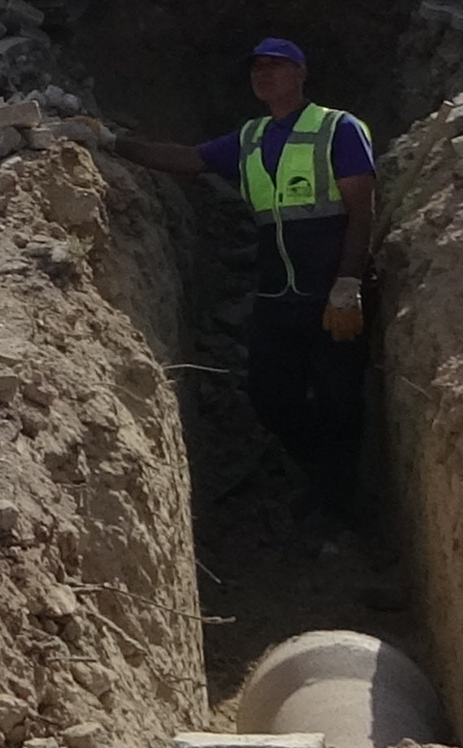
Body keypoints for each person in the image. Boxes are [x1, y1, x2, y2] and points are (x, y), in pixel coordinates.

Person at [101, 38, 379, 504]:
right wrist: (113, 144)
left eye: (275, 66)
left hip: (329, 293)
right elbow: (189, 159)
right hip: (276, 297)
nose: (263, 74)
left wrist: (347, 286)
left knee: (340, 403)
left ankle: (342, 503)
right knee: (270, 397)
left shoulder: (338, 129)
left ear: (300, 74)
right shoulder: (252, 137)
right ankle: (320, 476)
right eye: (256, 68)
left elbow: (363, 211)